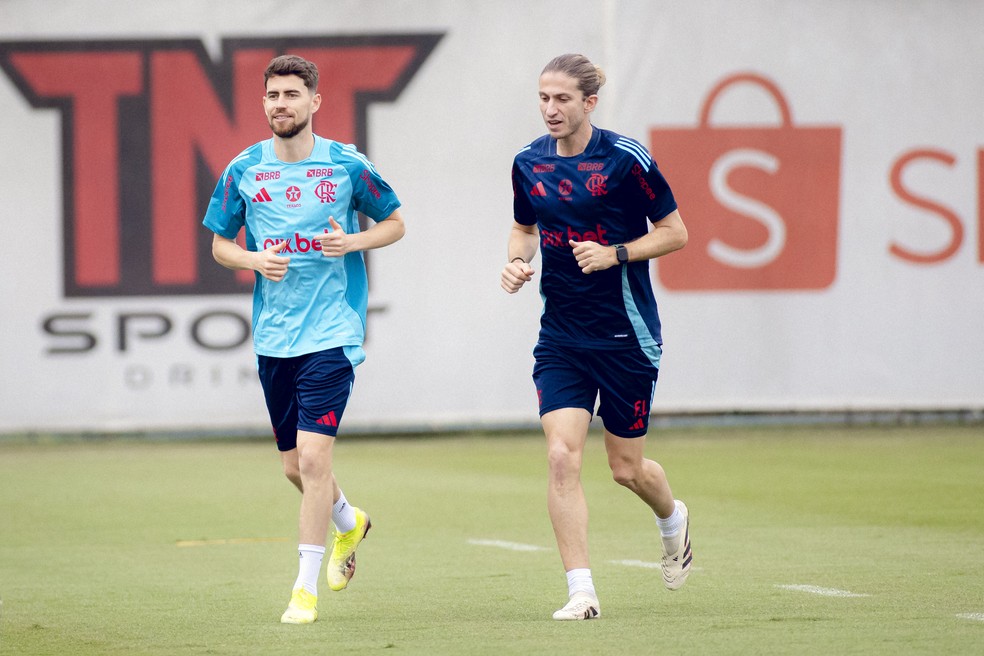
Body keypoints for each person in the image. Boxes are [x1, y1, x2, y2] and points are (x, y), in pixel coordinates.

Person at [202, 54, 405, 624]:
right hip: (274, 337)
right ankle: (349, 522)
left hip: (333, 332)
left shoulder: (346, 164)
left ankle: (303, 590)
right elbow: (220, 244)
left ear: (315, 101)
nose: (281, 104)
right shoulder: (244, 168)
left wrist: (352, 243)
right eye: (273, 95)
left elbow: (395, 222)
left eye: (292, 94)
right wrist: (252, 259)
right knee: (295, 468)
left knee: (314, 459)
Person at [500, 53, 692, 620]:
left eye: (562, 99)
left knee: (626, 469)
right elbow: (522, 227)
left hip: (627, 336)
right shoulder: (528, 162)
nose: (550, 108)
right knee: (562, 456)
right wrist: (517, 261)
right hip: (561, 337)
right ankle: (581, 592)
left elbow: (675, 233)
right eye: (543, 98)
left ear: (589, 102)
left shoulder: (626, 159)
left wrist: (616, 254)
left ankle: (672, 518)